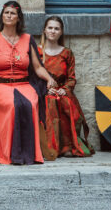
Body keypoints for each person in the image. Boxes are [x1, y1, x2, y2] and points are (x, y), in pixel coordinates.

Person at [0, 1, 57, 165]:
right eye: (6, 13)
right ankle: (11, 154)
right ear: (2, 16)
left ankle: (30, 155)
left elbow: (37, 67)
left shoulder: (27, 39)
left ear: (18, 18)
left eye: (12, 13)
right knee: (13, 105)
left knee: (30, 103)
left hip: (24, 85)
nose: (9, 16)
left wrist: (49, 78)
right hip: (1, 86)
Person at [39, 16, 94, 158]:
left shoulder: (67, 53)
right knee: (50, 102)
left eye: (56, 28)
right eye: (50, 28)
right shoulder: (37, 52)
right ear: (44, 30)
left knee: (65, 102)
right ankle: (49, 147)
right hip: (43, 92)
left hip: (63, 91)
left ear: (61, 32)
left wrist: (65, 89)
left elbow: (71, 78)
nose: (53, 31)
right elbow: (33, 76)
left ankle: (67, 146)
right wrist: (45, 89)